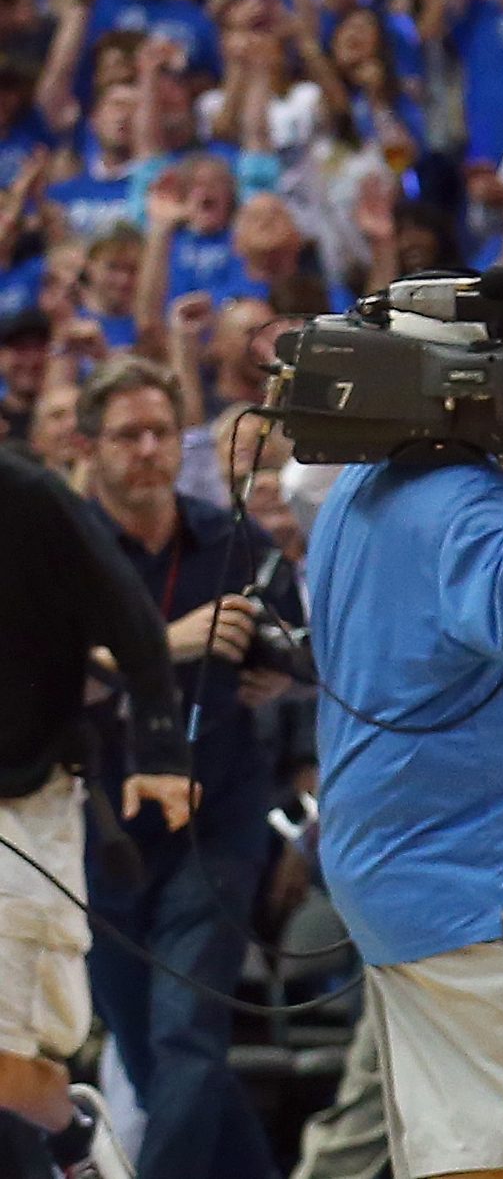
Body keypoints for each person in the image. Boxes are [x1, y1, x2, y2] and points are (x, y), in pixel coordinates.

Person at [302, 363, 503, 1179]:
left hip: (416, 867)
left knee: (481, 1157)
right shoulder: (458, 503)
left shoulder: (363, 486)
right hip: (467, 880)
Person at [77, 356, 298, 1179]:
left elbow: (289, 650)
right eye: (128, 435)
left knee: (187, 1036)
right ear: (90, 446)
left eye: (162, 433)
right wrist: (164, 646)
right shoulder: (65, 546)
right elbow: (42, 672)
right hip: (102, 827)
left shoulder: (228, 538)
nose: (148, 450)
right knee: (146, 1050)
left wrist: (276, 669)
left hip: (217, 821)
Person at [0, 440, 192, 1179]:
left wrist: (164, 756)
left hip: (24, 804)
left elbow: (135, 625)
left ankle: (77, 1140)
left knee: (10, 1060)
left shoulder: (28, 497)